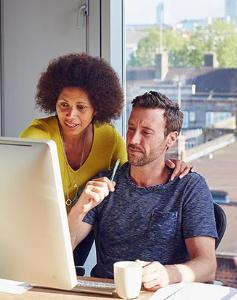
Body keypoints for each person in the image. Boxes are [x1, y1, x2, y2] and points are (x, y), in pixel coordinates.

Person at [19, 54, 193, 270]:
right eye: (63, 105)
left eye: (81, 107)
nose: (70, 115)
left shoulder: (108, 138)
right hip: (37, 235)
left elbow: (135, 165)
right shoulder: (36, 138)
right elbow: (20, 200)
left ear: (96, 109)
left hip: (77, 239)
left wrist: (172, 162)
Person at [67, 91, 217, 291]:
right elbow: (64, 248)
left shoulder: (188, 187)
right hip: (104, 291)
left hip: (159, 293)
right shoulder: (104, 183)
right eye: (130, 129)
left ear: (171, 139)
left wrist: (168, 274)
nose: (133, 140)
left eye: (146, 132)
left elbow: (208, 266)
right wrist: (80, 208)